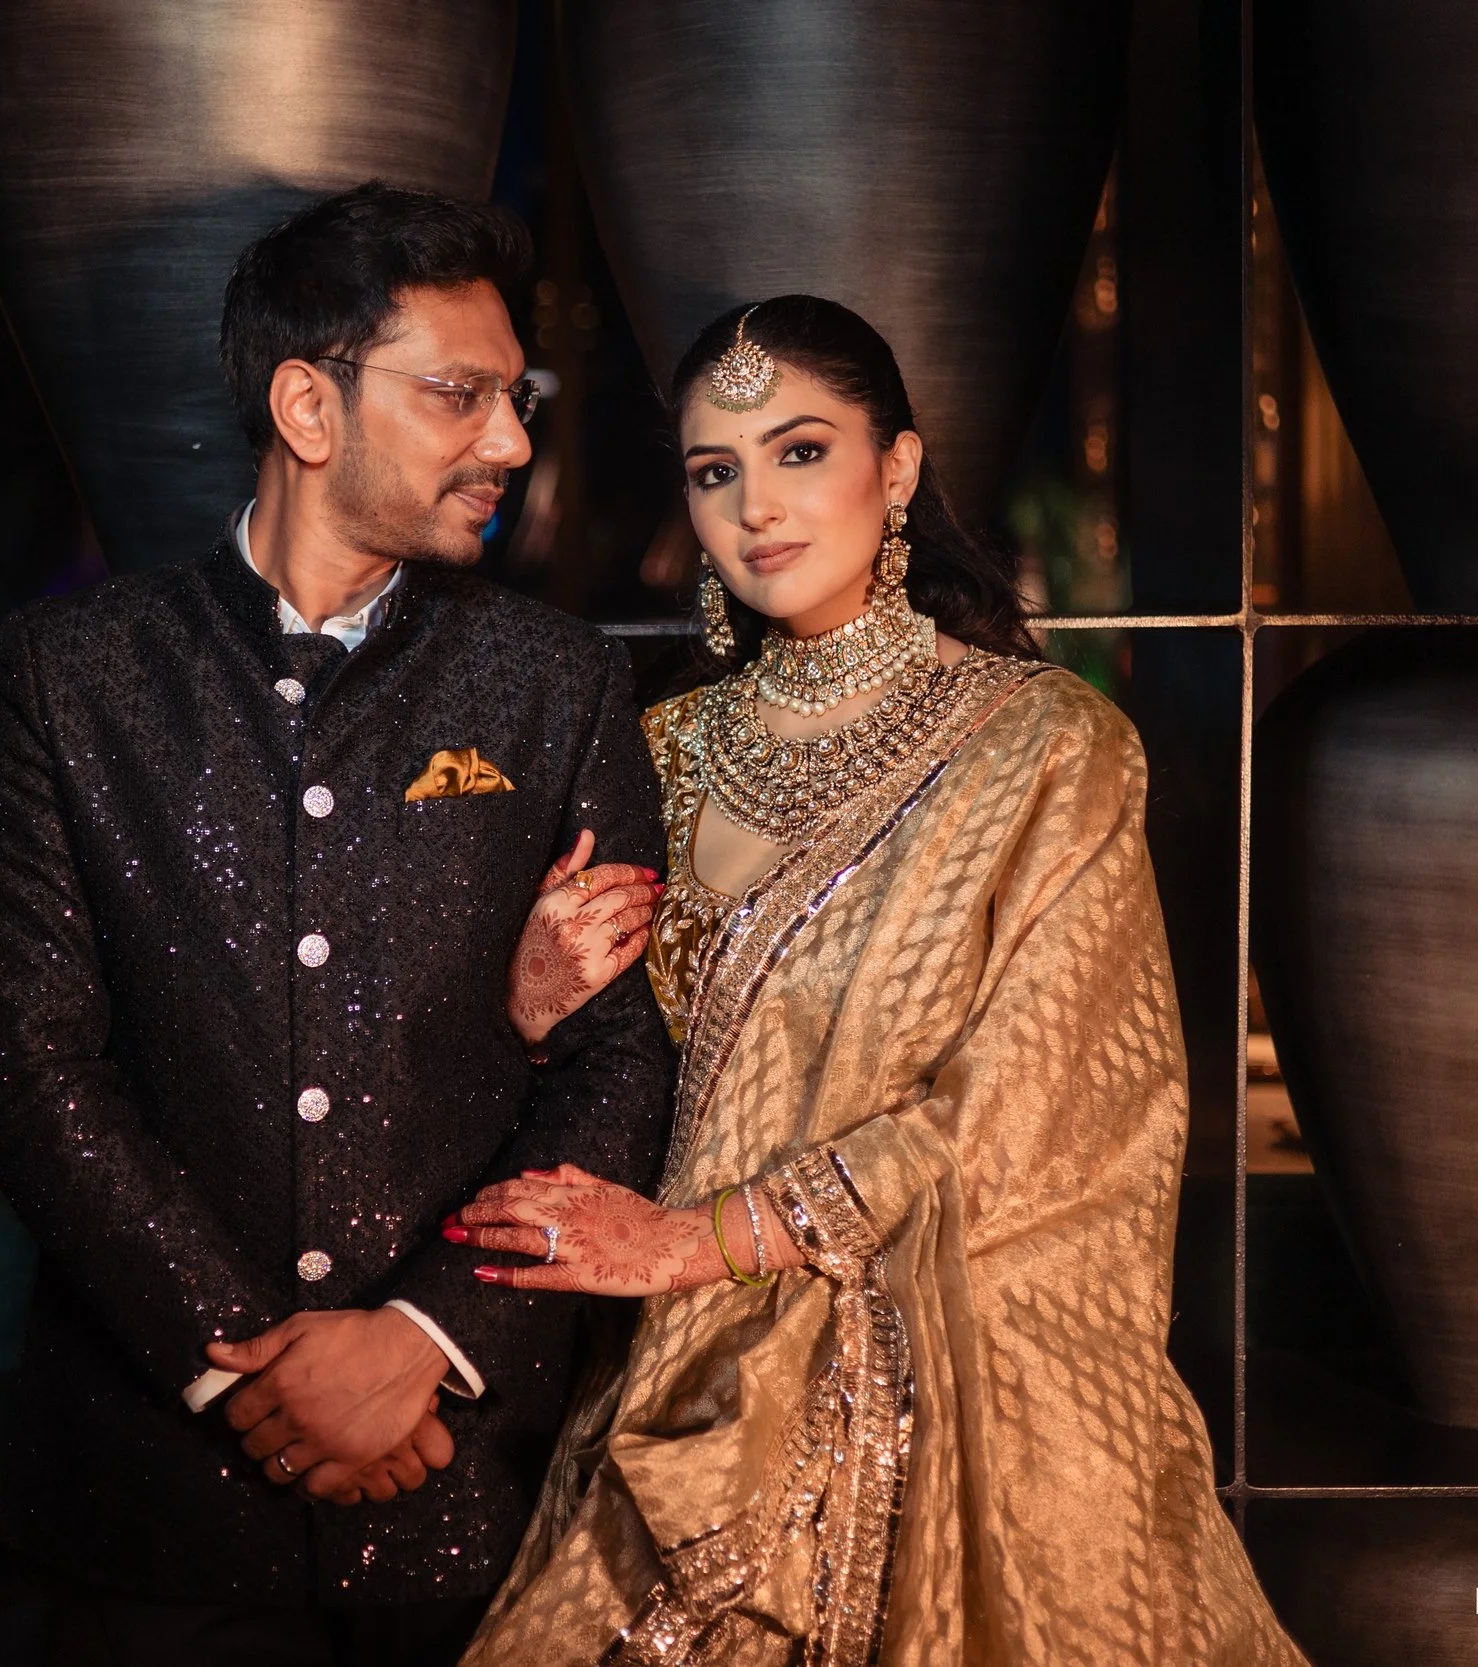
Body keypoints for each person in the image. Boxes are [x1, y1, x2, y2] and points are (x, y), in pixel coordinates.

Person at [446, 296, 1315, 1664]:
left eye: (800, 451)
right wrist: (526, 1010)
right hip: (673, 1384)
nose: (756, 509)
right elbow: (601, 1088)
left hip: (957, 1413)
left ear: (897, 469)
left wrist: (701, 1241)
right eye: (715, 470)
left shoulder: (1046, 751)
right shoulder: (651, 754)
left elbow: (1023, 1103)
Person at [0, 181, 676, 1667]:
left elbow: (618, 1065)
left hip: (467, 1488)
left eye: (515, 398)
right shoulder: (71, 676)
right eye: (459, 395)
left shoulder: (559, 686)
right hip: (148, 1501)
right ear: (308, 405)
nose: (513, 444)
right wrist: (252, 1374)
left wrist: (423, 1337)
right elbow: (27, 1065)